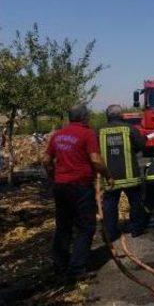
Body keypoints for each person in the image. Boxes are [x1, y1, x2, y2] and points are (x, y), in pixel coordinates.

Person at [42, 104, 114, 282]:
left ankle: (59, 266)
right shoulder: (87, 133)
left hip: (60, 187)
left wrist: (53, 176)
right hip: (80, 187)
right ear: (84, 117)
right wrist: (108, 176)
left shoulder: (58, 135)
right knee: (86, 226)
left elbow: (46, 159)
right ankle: (76, 269)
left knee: (64, 226)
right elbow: (96, 160)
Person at [98, 104, 147, 239]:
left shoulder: (99, 131)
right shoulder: (130, 129)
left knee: (109, 206)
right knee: (135, 203)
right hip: (131, 176)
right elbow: (140, 146)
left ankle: (111, 233)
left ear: (107, 116)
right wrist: (144, 140)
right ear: (122, 115)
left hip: (110, 177)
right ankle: (136, 229)